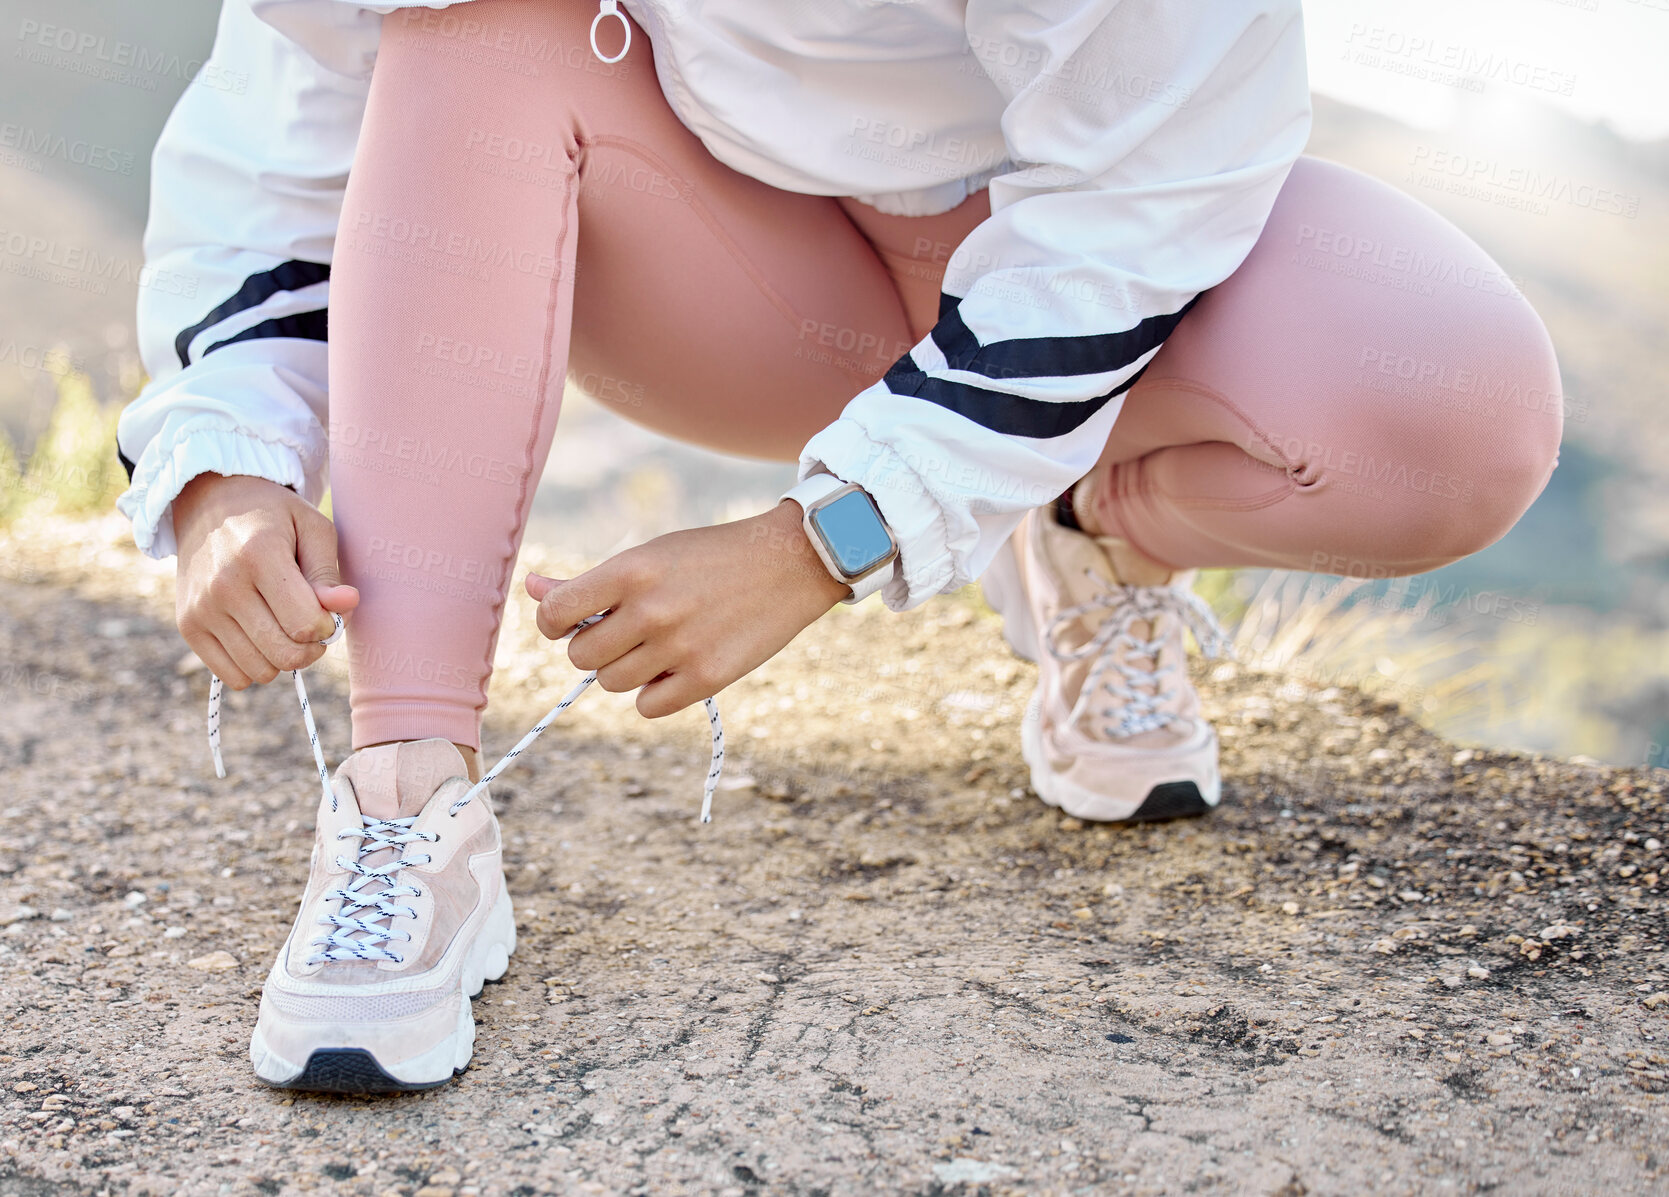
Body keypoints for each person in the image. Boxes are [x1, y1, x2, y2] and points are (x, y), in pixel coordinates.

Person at [115, 0, 1562, 1092]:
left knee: (1460, 417)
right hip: (720, 270)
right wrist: (224, 463)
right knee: (469, 27)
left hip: (1071, 271)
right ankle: (404, 786)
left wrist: (824, 539)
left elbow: (1142, 205)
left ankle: (1087, 531)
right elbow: (292, 102)